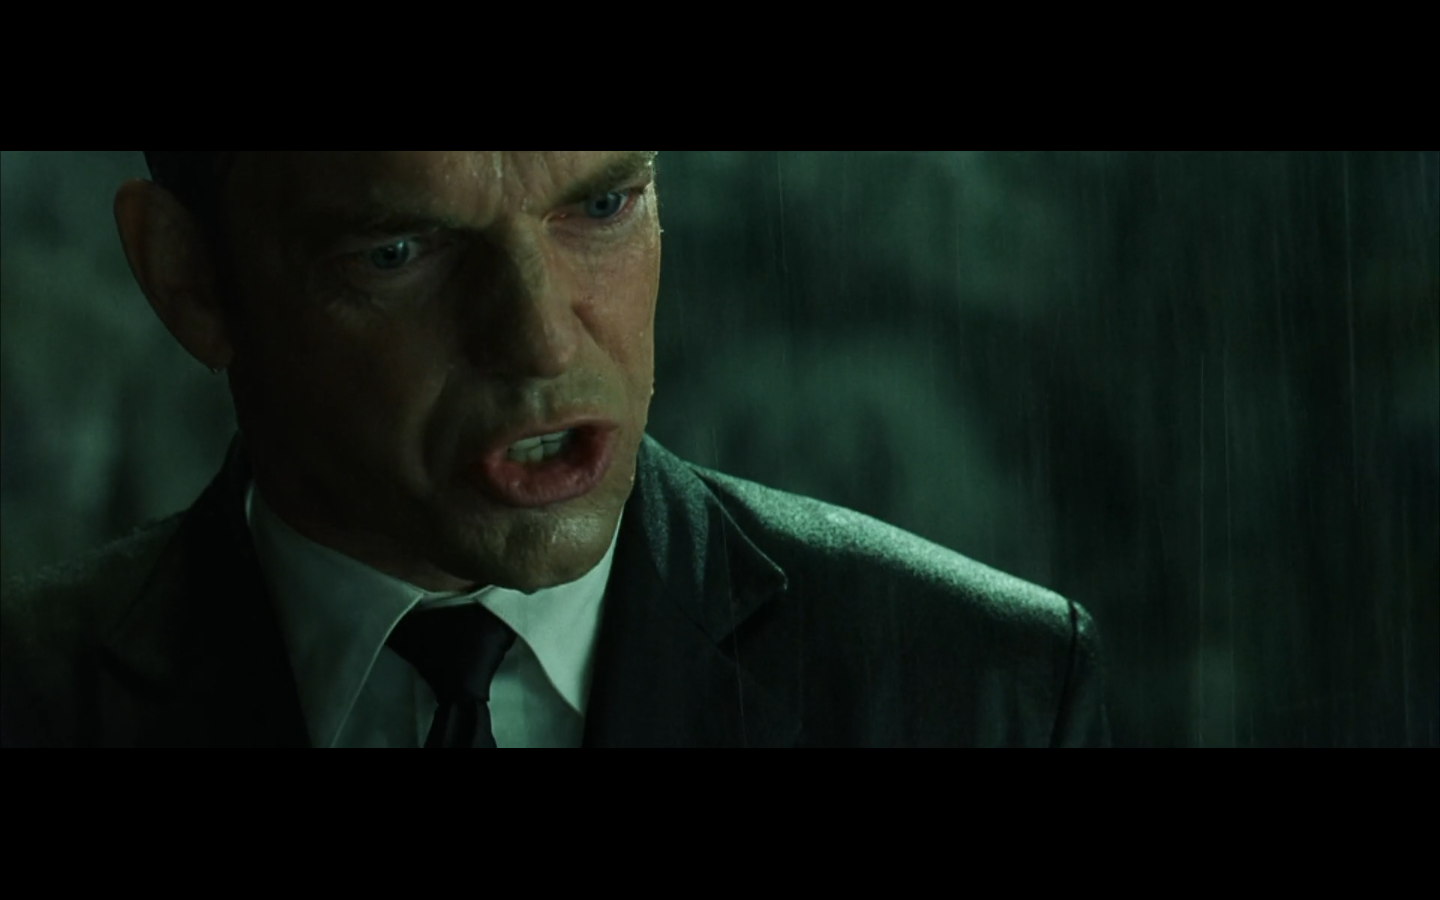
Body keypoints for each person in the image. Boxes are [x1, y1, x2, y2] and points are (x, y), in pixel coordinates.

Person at [0, 151, 1110, 748]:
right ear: (189, 279)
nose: (539, 339)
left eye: (604, 204)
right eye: (399, 251)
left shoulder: (983, 693)